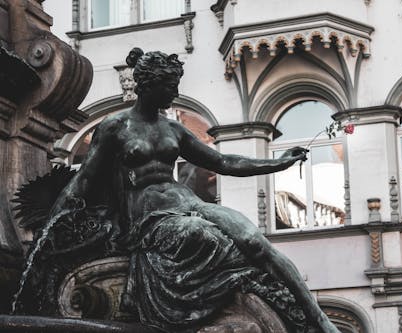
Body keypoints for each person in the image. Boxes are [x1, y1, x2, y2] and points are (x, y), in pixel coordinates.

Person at [50, 48, 340, 333]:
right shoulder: (115, 127)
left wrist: (276, 164)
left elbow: (223, 161)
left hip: (187, 201)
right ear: (149, 85)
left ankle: (320, 320)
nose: (174, 94)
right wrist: (53, 222)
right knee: (198, 233)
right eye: (169, 87)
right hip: (151, 216)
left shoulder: (173, 129)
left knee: (254, 240)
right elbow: (85, 179)